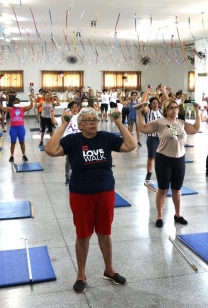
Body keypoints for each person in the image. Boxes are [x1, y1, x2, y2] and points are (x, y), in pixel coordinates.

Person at [44, 106, 136, 293]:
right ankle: (81, 274)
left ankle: (109, 270)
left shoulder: (105, 137)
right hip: (81, 194)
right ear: (79, 125)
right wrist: (63, 124)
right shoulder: (72, 140)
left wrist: (118, 121)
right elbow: (51, 150)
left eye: (95, 120)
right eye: (88, 120)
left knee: (104, 232)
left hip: (105, 192)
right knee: (83, 234)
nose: (93, 123)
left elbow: (130, 145)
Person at [135, 98, 201, 228]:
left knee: (177, 189)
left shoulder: (181, 123)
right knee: (162, 189)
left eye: (176, 107)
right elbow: (142, 128)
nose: (175, 109)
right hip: (164, 159)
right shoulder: (160, 122)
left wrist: (197, 111)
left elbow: (195, 129)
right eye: (171, 107)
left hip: (179, 160)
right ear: (165, 110)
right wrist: (138, 112)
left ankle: (178, 214)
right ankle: (159, 216)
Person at [134, 93, 163, 183]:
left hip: (162, 138)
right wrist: (147, 91)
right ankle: (149, 174)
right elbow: (143, 102)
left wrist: (162, 90)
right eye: (153, 103)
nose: (155, 104)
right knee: (151, 157)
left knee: (162, 158)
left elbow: (167, 100)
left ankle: (162, 174)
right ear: (150, 105)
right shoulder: (148, 112)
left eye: (157, 102)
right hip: (152, 138)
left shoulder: (162, 112)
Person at [0, 97, 36, 162]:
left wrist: (31, 97)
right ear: (13, 103)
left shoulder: (22, 109)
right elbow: (0, 107)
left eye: (17, 102)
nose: (16, 103)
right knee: (13, 142)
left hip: (21, 128)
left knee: (22, 142)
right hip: (13, 128)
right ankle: (12, 156)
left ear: (19, 103)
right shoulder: (10, 109)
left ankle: (24, 155)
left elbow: (31, 106)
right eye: (15, 102)